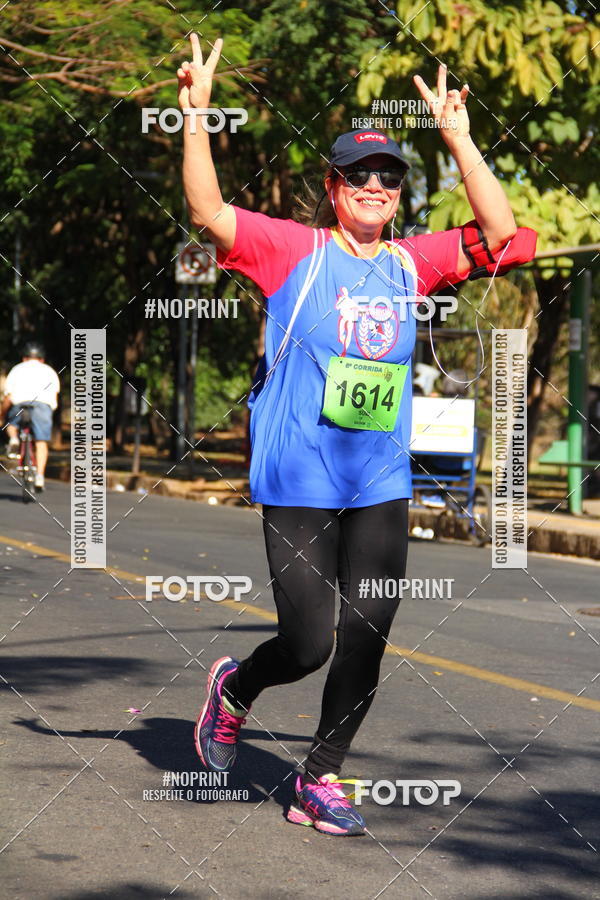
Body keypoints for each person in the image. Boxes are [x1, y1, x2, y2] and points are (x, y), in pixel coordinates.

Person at [178, 35, 536, 836]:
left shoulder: (414, 264)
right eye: (359, 175)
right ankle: (235, 691)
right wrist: (196, 115)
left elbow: (505, 237)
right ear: (334, 188)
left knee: (368, 635)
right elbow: (206, 212)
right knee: (308, 643)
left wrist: (460, 139)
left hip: (377, 477)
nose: (376, 186)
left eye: (390, 178)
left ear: (398, 195)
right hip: (299, 474)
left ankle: (319, 777)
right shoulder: (291, 251)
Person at [2, 342, 60, 491]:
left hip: (20, 404)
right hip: (43, 406)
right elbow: (54, 397)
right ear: (42, 359)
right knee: (41, 443)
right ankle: (40, 476)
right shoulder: (50, 371)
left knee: (12, 425)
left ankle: (14, 439)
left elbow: (7, 397)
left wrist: (2, 416)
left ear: (24, 358)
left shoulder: (16, 370)